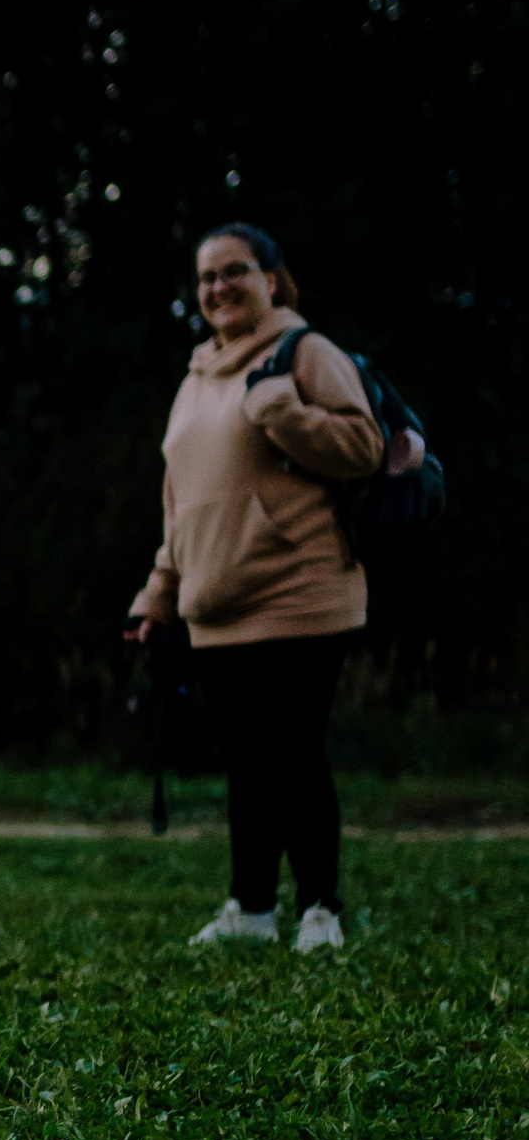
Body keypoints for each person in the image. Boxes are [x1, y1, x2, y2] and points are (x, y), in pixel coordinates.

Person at [126, 224, 382, 952]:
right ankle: (251, 909)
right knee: (246, 765)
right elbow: (182, 504)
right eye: (206, 278)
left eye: (234, 271)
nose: (218, 289)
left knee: (294, 752)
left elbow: (362, 448)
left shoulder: (305, 353)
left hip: (299, 593)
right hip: (214, 604)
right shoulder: (198, 374)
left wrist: (282, 410)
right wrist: (157, 596)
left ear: (273, 278)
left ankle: (322, 911)